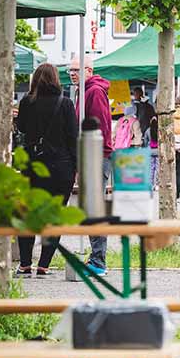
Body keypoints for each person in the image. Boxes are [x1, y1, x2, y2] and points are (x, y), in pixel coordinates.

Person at [14, 63, 78, 277]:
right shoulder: (66, 104)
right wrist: (76, 167)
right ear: (56, 80)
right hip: (61, 168)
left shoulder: (26, 102)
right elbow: (73, 138)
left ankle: (24, 264)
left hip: (33, 166)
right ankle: (44, 265)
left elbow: (21, 128)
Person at [68, 56, 112, 276]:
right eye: (69, 71)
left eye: (76, 70)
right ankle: (96, 259)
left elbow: (102, 125)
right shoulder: (83, 91)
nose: (72, 74)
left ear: (88, 70)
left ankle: (98, 261)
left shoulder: (93, 92)